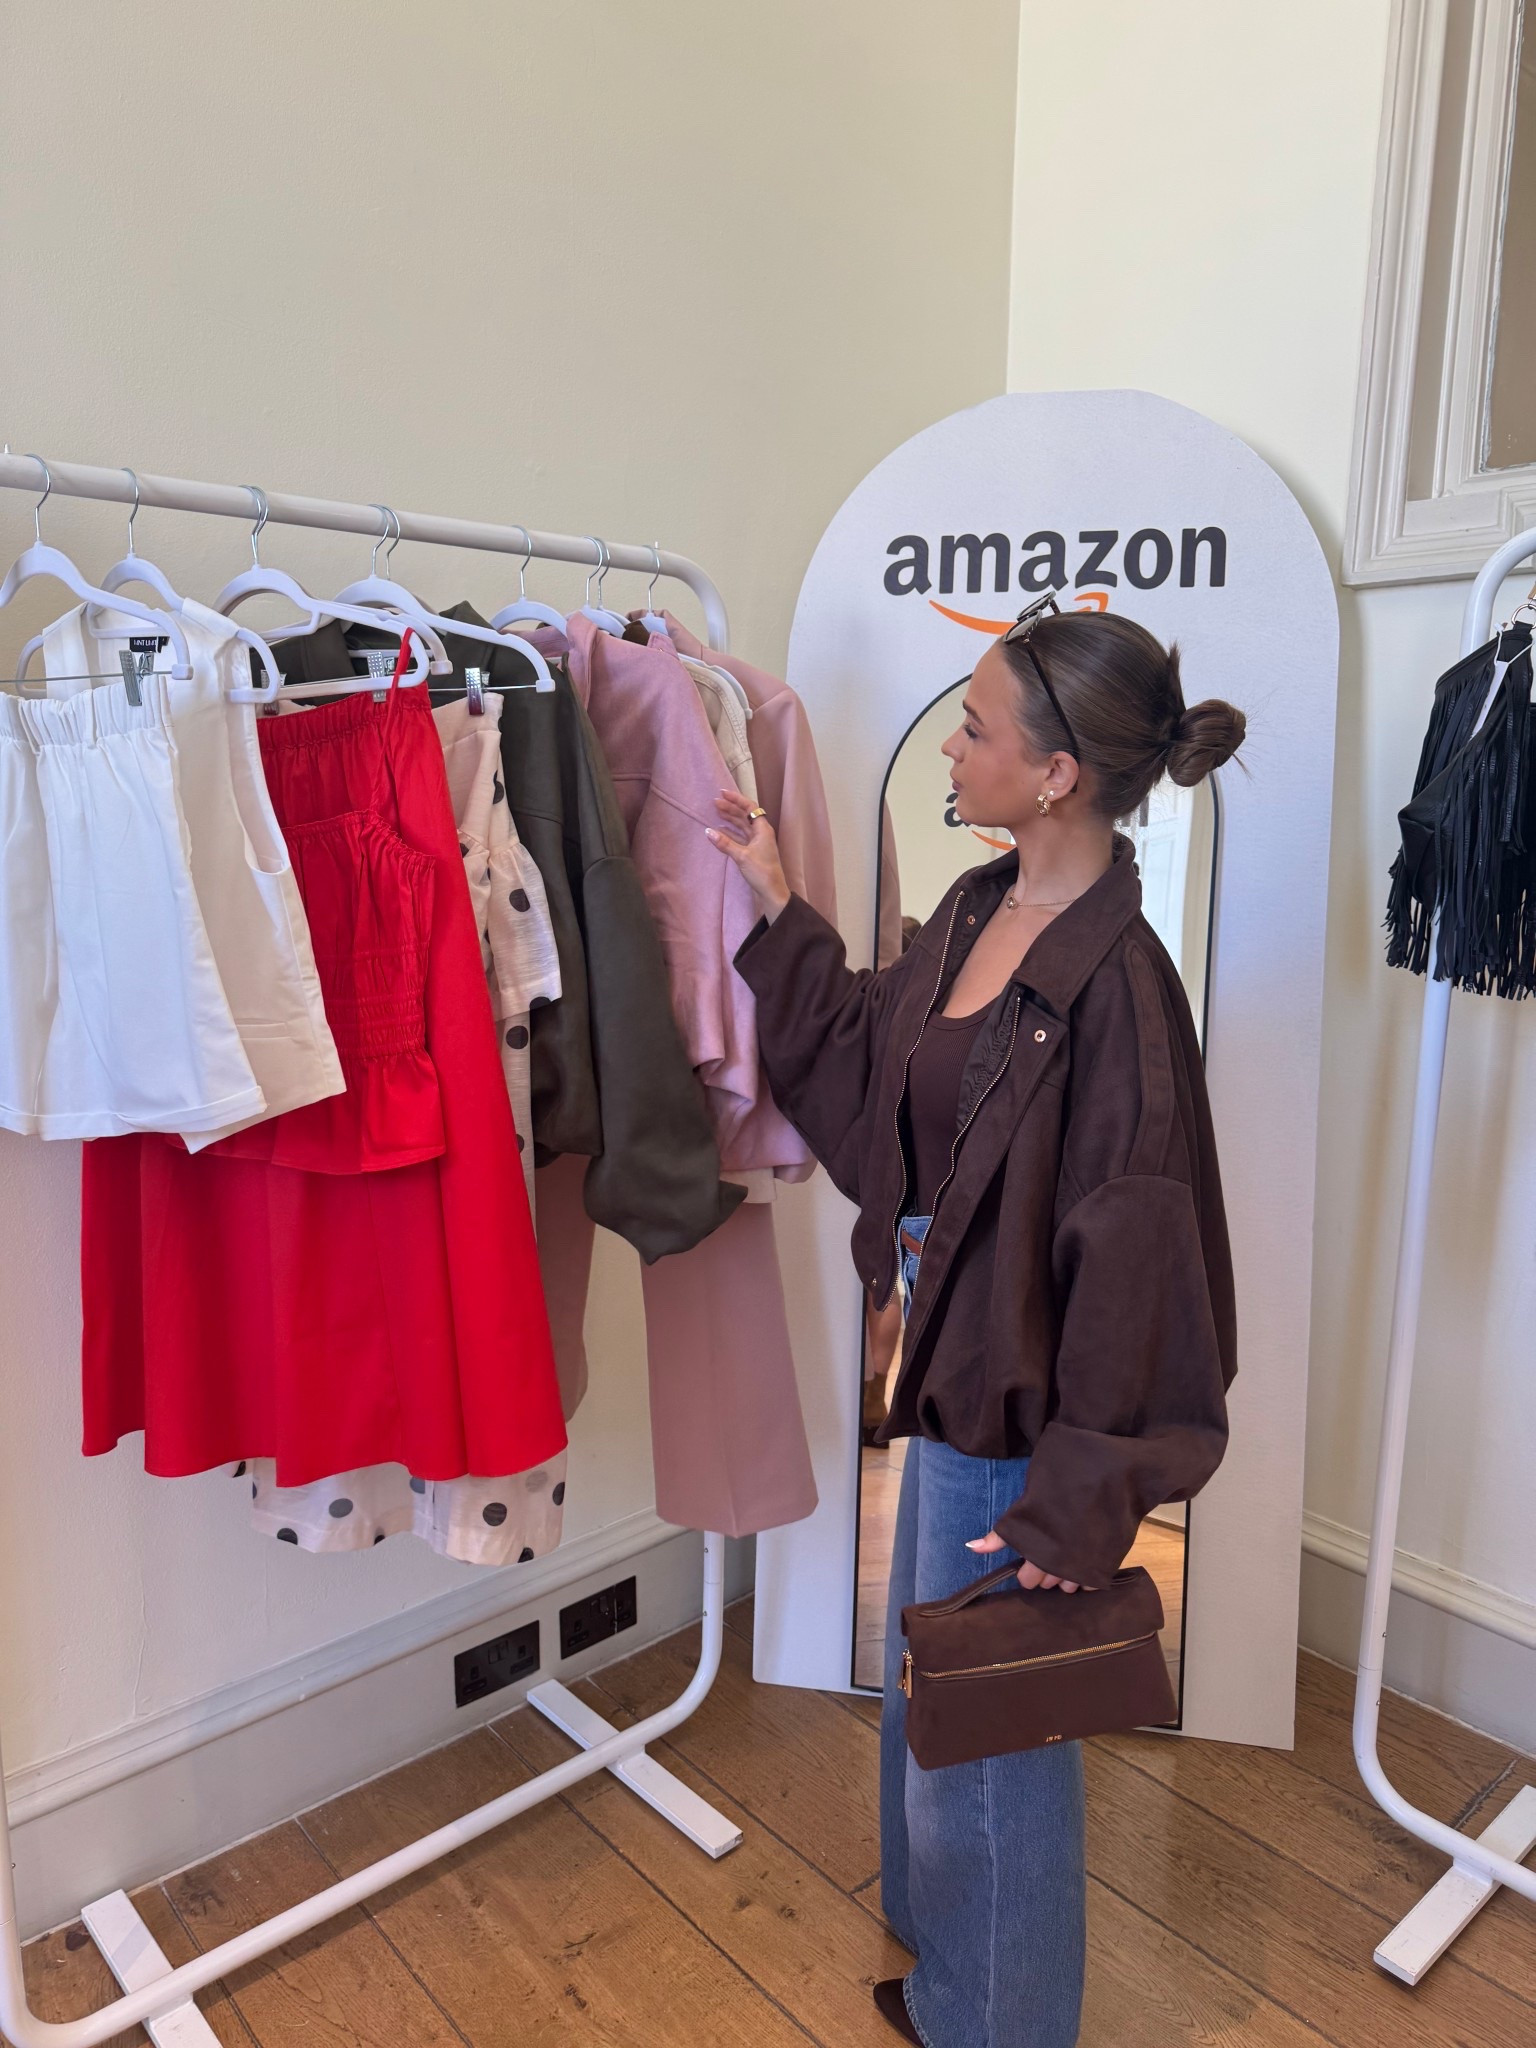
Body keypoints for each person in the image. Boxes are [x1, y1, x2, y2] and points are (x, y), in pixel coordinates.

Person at [706, 598, 1242, 2048]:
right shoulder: (973, 909)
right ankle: (947, 1961)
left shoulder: (1122, 991)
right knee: (934, 1689)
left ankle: (996, 2020)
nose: (953, 746)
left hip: (1025, 1389)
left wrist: (1084, 1498)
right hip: (952, 1346)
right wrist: (778, 907)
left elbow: (1143, 1263)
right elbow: (876, 1063)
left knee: (994, 1729)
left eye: (977, 727)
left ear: (1057, 773)